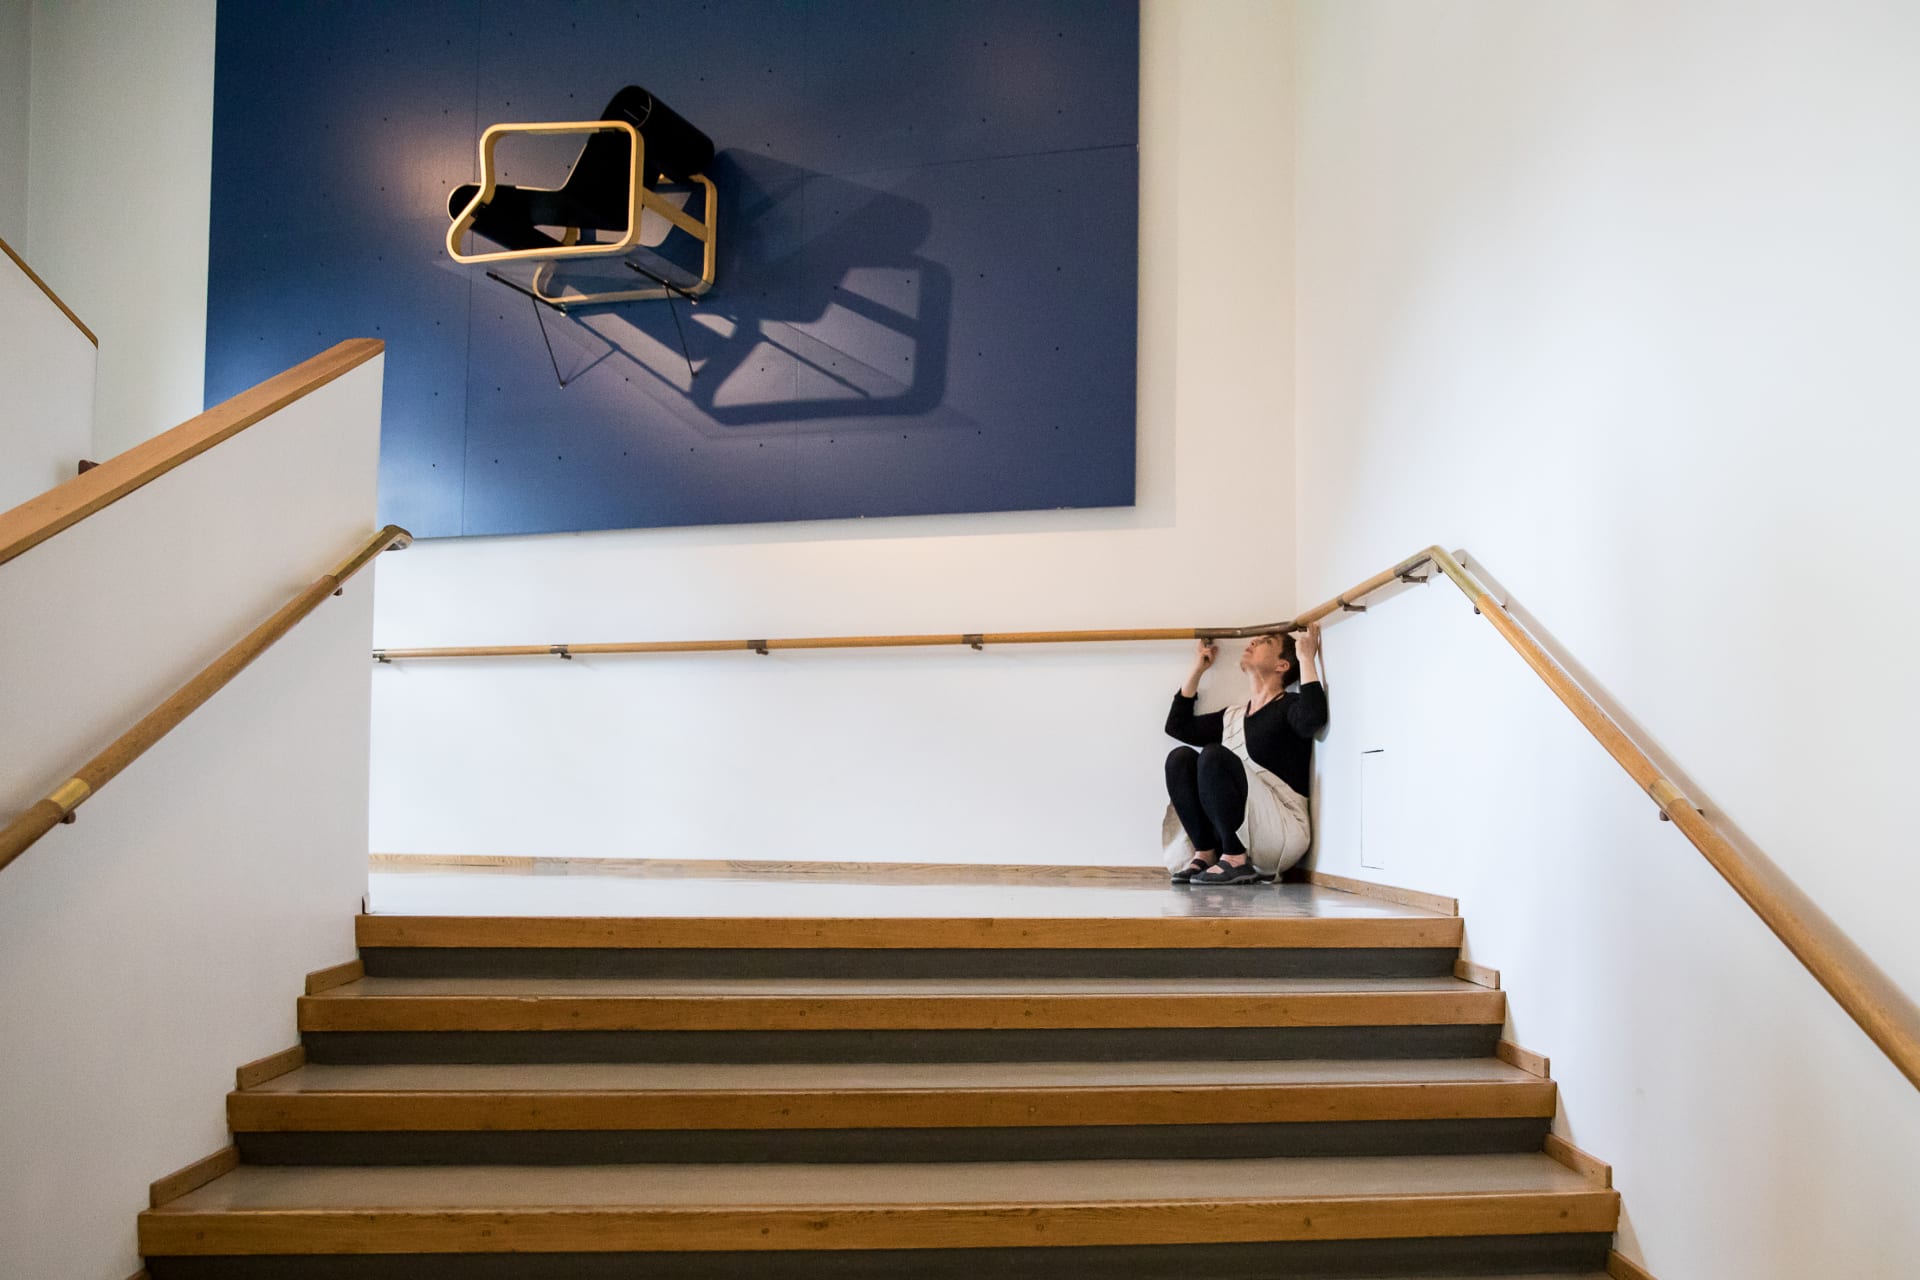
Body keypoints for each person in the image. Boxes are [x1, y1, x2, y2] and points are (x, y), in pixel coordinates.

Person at [1162, 623, 1327, 886]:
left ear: (1282, 665)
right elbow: (1177, 726)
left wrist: (1306, 658)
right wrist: (1199, 668)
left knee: (1214, 756)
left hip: (1282, 833)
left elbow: (1312, 719)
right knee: (1180, 758)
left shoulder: (1289, 705)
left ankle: (1235, 860)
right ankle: (1206, 853)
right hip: (1244, 830)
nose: (1252, 642)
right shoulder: (1233, 716)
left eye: (1265, 642)